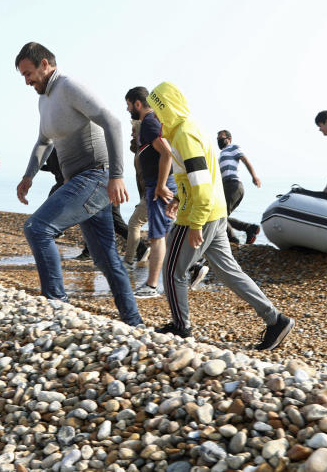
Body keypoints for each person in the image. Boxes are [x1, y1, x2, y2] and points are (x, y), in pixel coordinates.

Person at [150, 81, 294, 350]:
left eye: (158, 111)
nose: (156, 118)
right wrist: (179, 198)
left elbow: (202, 186)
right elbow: (199, 176)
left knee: (172, 272)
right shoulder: (192, 129)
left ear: (166, 107)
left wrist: (194, 224)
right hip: (216, 213)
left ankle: (182, 327)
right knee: (230, 272)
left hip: (201, 214)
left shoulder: (184, 134)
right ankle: (276, 320)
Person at [14, 42, 143, 327]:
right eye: (22, 76)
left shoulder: (69, 86)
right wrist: (28, 176)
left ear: (45, 64)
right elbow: (44, 142)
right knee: (107, 260)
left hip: (97, 176)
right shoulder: (43, 99)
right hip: (80, 181)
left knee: (37, 228)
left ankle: (58, 310)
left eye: (28, 73)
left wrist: (117, 176)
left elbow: (112, 122)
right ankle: (135, 324)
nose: (26, 81)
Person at [125, 87, 177, 298]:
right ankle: (192, 268)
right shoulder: (150, 122)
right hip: (157, 183)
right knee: (165, 234)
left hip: (159, 184)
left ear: (137, 103)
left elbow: (166, 153)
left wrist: (160, 185)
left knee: (157, 237)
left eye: (128, 104)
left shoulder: (148, 122)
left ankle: (152, 285)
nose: (127, 108)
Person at [217, 130, 262, 244]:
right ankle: (250, 228)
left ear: (229, 139)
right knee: (221, 216)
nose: (219, 140)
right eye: (217, 138)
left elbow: (245, 160)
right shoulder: (221, 155)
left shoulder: (233, 148)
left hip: (233, 185)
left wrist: (254, 176)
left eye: (221, 137)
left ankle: (234, 240)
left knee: (219, 216)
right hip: (227, 186)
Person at [123, 119, 151, 268]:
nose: (131, 134)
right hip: (148, 194)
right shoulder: (141, 149)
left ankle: (128, 261)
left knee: (134, 223)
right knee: (165, 233)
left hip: (153, 193)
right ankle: (194, 266)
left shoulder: (147, 149)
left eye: (134, 131)